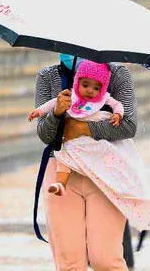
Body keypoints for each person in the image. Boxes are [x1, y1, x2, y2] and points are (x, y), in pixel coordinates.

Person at [33, 54, 150, 271]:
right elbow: (45, 135)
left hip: (106, 173)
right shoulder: (49, 76)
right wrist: (58, 114)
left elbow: (128, 126)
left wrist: (86, 128)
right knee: (68, 258)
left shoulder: (117, 74)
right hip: (63, 173)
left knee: (103, 256)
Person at [29, 61, 123, 195]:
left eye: (96, 88)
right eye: (85, 85)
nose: (90, 90)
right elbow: (52, 103)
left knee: (103, 149)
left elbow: (117, 104)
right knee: (63, 153)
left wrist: (118, 114)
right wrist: (39, 111)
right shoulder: (70, 94)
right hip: (71, 139)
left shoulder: (104, 98)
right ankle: (60, 184)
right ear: (77, 82)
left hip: (92, 133)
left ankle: (108, 176)